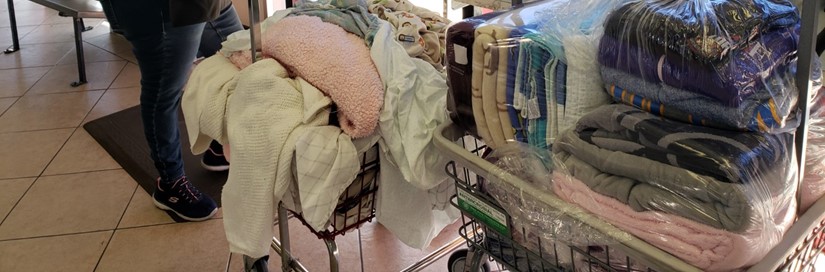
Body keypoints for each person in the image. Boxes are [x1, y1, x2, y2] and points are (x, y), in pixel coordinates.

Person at [100, 0, 243, 221]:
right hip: (160, 9)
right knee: (162, 92)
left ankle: (217, 147)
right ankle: (171, 184)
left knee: (242, 62)